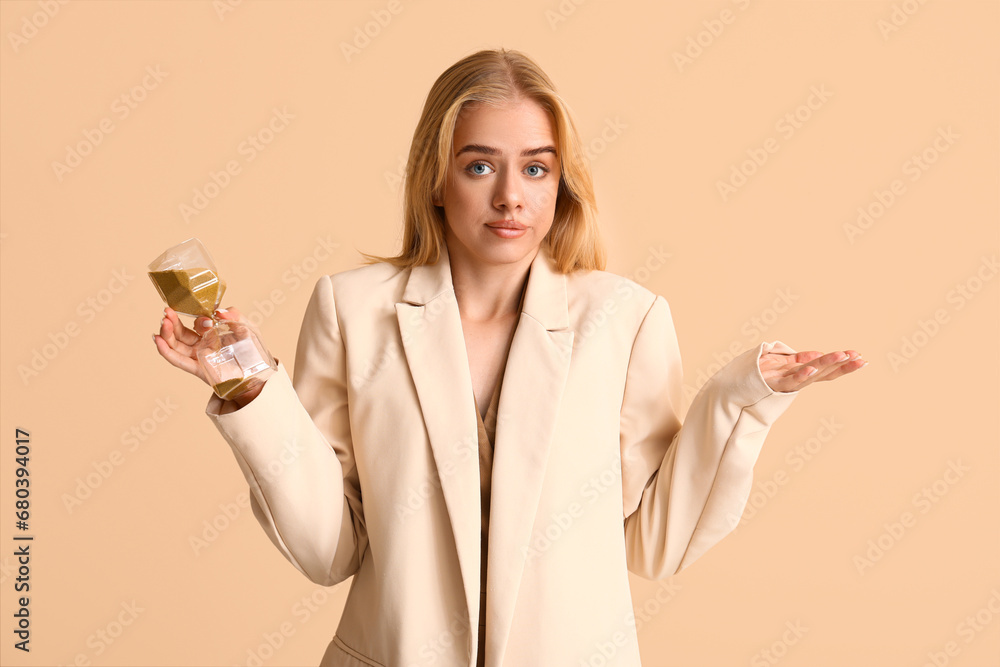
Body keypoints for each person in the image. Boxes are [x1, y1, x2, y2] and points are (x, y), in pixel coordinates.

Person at [152, 48, 865, 667]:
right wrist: (248, 385)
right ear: (437, 176)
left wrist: (745, 398)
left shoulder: (626, 318)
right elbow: (328, 550)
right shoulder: (351, 310)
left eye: (535, 168)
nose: (509, 196)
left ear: (561, 181)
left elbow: (654, 543)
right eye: (479, 165)